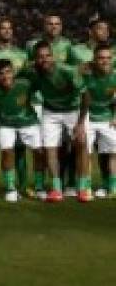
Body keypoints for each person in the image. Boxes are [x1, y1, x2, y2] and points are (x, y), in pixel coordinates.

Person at [27, 39, 84, 202]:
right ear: (35, 59)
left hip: (73, 111)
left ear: (53, 56)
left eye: (47, 55)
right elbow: (24, 86)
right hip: (50, 112)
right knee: (49, 148)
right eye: (40, 56)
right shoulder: (35, 74)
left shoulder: (67, 70)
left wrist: (80, 123)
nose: (44, 59)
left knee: (81, 144)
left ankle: (82, 187)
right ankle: (56, 189)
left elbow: (85, 95)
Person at [0, 58, 42, 203]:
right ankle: (10, 188)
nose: (5, 76)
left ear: (13, 72)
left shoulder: (25, 84)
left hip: (28, 122)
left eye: (8, 72)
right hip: (6, 125)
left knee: (39, 152)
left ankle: (39, 187)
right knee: (7, 152)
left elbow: (40, 82)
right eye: (1, 74)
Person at [77, 44, 116, 199]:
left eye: (108, 58)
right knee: (86, 151)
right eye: (101, 58)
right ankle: (85, 187)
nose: (105, 61)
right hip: (87, 117)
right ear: (94, 60)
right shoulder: (86, 75)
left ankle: (112, 187)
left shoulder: (115, 76)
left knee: (114, 151)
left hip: (107, 117)